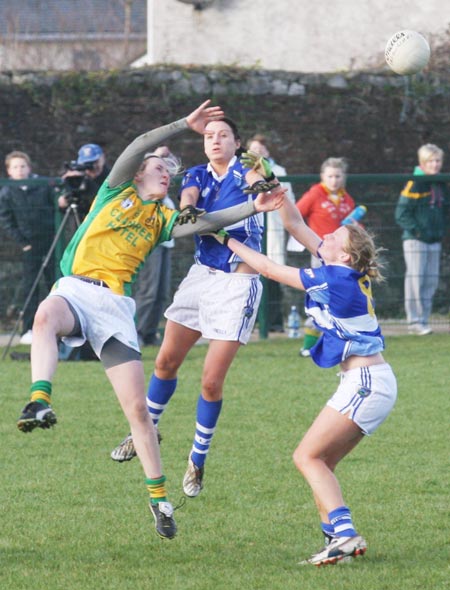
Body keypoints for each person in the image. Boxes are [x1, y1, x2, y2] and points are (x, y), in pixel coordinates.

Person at [15, 100, 285, 541]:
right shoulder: (115, 191)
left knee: (139, 412)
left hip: (116, 311)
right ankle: (39, 400)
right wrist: (183, 125)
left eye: (169, 170)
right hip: (77, 290)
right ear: (139, 173)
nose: (167, 173)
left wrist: (255, 208)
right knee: (45, 314)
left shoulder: (163, 219)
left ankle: (159, 500)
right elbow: (142, 143)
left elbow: (208, 222)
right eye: (160, 167)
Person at [110, 122, 319, 504]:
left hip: (237, 285)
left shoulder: (249, 169)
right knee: (165, 362)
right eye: (209, 136)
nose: (215, 140)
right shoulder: (195, 174)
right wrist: (188, 209)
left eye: (223, 135)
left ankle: (197, 459)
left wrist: (319, 250)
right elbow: (188, 196)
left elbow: (271, 194)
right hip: (200, 277)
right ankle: (144, 430)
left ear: (237, 143)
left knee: (210, 382)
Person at [207, 199, 397, 566]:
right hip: (370, 380)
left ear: (343, 256)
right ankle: (335, 543)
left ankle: (345, 535)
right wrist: (278, 193)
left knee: (306, 456)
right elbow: (295, 223)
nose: (323, 237)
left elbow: (266, 268)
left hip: (366, 382)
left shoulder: (336, 276)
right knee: (321, 461)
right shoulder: (340, 268)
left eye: (332, 237)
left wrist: (223, 238)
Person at [289, 157, 356, 356]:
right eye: (330, 176)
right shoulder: (315, 194)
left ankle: (337, 341)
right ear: (322, 177)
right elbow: (295, 215)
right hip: (321, 254)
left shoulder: (347, 199)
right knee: (321, 296)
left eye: (338, 176)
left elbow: (352, 227)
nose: (334, 180)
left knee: (338, 299)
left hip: (344, 256)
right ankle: (308, 346)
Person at [0, 150, 56, 344]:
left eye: (23, 166)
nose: (20, 170)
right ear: (9, 171)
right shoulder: (7, 192)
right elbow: (6, 220)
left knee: (55, 283)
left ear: (29, 167)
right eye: (15, 167)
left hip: (50, 241)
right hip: (29, 246)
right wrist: (23, 243)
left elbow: (57, 207)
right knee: (30, 286)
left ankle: (58, 327)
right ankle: (29, 329)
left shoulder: (44, 185)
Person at [395, 143, 449, 335]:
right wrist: (418, 231)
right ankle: (414, 321)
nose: (435, 165)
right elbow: (401, 214)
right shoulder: (414, 183)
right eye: (430, 161)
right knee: (415, 279)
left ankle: (425, 319)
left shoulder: (440, 183)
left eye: (438, 161)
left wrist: (441, 230)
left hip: (434, 240)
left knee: (431, 280)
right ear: (422, 163)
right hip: (415, 240)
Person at [246, 134, 296, 332]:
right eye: (254, 149)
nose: (258, 153)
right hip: (252, 226)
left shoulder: (279, 171)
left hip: (273, 226)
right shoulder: (244, 171)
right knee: (252, 275)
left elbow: (288, 197)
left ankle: (274, 322)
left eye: (261, 149)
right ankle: (255, 321)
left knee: (274, 275)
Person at [133, 146, 177, 347]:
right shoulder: (142, 188)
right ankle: (137, 332)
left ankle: (150, 332)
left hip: (166, 243)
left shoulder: (163, 189)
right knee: (148, 291)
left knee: (162, 292)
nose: (164, 173)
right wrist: (156, 154)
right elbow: (141, 163)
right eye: (159, 167)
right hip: (151, 242)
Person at [57, 143, 111, 240]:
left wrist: (88, 183)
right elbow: (71, 206)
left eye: (95, 162)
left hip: (103, 230)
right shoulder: (79, 178)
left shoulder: (111, 177)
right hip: (79, 228)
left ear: (102, 158)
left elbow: (102, 202)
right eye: (87, 163)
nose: (92, 167)